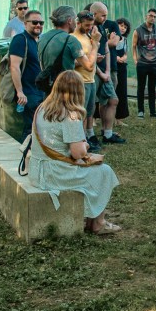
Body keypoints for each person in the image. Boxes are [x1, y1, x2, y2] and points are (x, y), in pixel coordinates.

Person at [28, 70, 120, 235]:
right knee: (104, 171)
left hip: (37, 171)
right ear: (79, 91)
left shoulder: (43, 108)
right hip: (55, 174)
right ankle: (98, 223)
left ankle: (92, 220)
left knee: (95, 172)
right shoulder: (70, 114)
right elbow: (77, 153)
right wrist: (85, 145)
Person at [89, 2, 124, 144]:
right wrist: (99, 70)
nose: (105, 18)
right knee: (90, 104)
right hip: (92, 71)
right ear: (94, 14)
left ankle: (107, 134)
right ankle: (89, 134)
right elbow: (87, 53)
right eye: (103, 15)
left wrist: (107, 70)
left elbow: (107, 48)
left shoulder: (103, 27)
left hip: (105, 71)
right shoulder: (90, 28)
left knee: (112, 100)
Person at [8, 9, 45, 141]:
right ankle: (25, 155)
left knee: (39, 127)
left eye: (41, 23)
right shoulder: (20, 40)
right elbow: (14, 67)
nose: (38, 25)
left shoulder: (39, 41)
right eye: (34, 22)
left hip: (40, 91)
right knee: (30, 128)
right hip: (28, 93)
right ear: (25, 24)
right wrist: (20, 92)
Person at [38, 6, 87, 94]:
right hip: (66, 89)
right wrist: (95, 44)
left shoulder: (42, 37)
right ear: (69, 20)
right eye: (75, 19)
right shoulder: (71, 40)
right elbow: (89, 66)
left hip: (49, 88)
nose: (76, 23)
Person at [72, 11, 102, 151]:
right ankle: (79, 140)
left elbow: (90, 57)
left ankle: (86, 137)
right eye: (86, 25)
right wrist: (84, 62)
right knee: (80, 112)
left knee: (89, 111)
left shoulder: (87, 35)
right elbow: (71, 61)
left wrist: (95, 57)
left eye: (91, 25)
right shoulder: (72, 38)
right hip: (80, 81)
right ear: (78, 23)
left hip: (91, 80)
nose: (89, 27)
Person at [132, 8, 156, 118]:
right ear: (146, 16)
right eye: (151, 16)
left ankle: (153, 111)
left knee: (152, 88)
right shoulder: (138, 30)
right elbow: (134, 46)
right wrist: (135, 60)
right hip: (142, 63)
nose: (153, 18)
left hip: (154, 64)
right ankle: (141, 111)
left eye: (155, 17)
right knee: (141, 87)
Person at [113, 17, 131, 123]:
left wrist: (123, 58)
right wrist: (116, 58)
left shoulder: (125, 40)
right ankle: (96, 118)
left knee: (121, 92)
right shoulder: (110, 37)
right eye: (121, 25)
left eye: (125, 27)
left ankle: (119, 118)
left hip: (122, 68)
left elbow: (126, 54)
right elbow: (108, 51)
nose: (123, 28)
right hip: (112, 67)